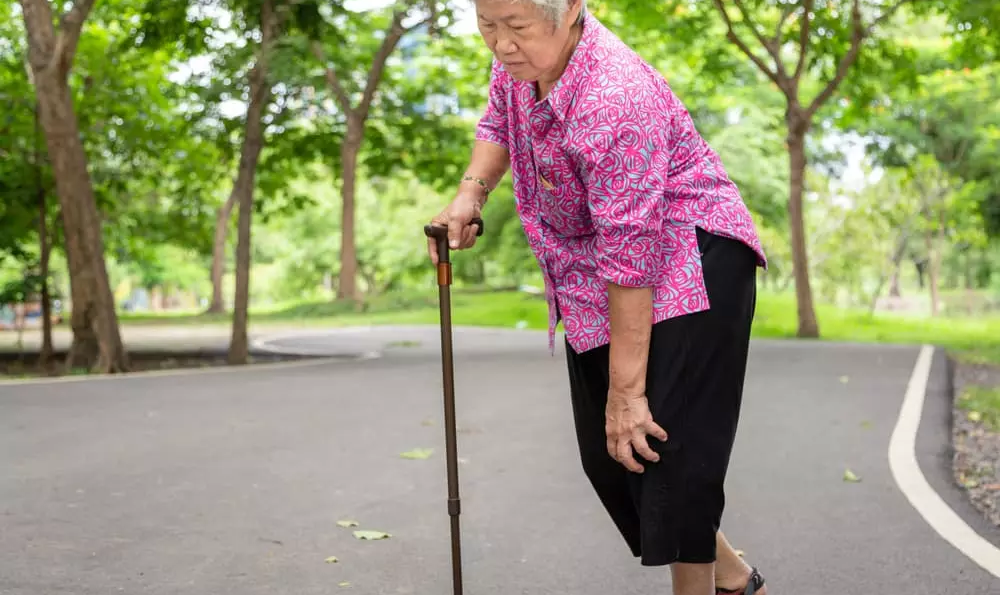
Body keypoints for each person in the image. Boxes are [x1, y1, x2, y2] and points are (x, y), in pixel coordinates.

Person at [426, 1, 768, 594]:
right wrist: (470, 193)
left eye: (517, 27)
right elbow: (499, 123)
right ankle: (735, 581)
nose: (502, 45)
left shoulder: (616, 97)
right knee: (611, 459)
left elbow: (632, 256)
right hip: (596, 268)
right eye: (488, 26)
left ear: (570, 9)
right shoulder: (521, 63)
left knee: (664, 451)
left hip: (691, 258)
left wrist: (627, 392)